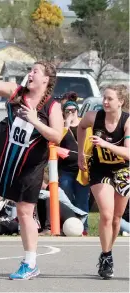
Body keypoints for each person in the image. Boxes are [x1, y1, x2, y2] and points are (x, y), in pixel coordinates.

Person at [0, 31, 63, 280]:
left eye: (36, 71)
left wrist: (35, 121)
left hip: (29, 166)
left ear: (46, 79)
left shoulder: (52, 106)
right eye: (31, 69)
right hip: (5, 158)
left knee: (25, 212)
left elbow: (56, 137)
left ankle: (30, 263)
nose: (31, 73)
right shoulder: (16, 93)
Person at [77, 84, 130, 279]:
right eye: (104, 98)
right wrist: (82, 152)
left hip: (123, 170)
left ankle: (108, 250)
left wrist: (106, 144)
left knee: (117, 218)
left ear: (121, 102)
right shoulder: (94, 116)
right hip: (100, 169)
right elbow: (81, 127)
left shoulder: (127, 122)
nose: (105, 102)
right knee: (106, 215)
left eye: (110, 99)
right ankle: (106, 256)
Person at [58, 92, 90, 234]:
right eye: (67, 111)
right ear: (63, 113)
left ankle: (84, 227)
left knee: (82, 199)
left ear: (77, 110)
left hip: (83, 169)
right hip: (66, 169)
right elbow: (56, 141)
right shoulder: (61, 127)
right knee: (66, 197)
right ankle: (69, 224)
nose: (71, 113)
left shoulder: (85, 125)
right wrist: (66, 124)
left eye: (73, 110)